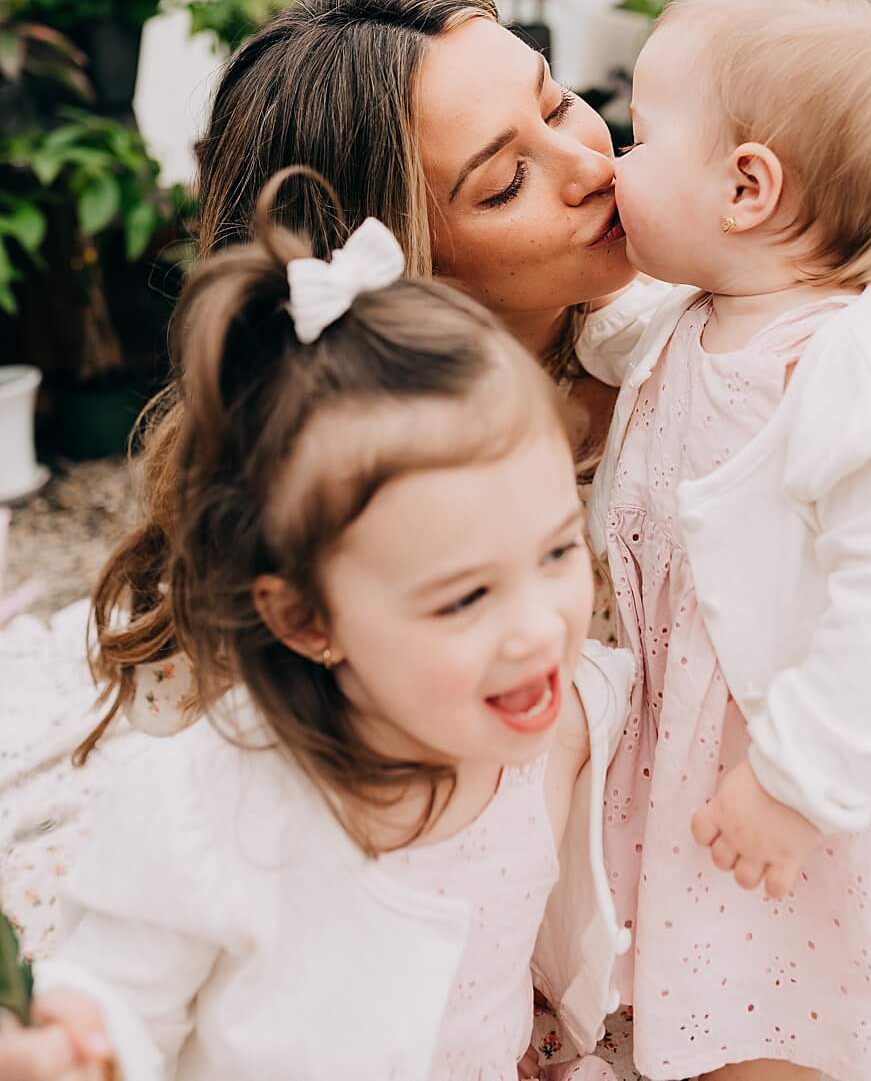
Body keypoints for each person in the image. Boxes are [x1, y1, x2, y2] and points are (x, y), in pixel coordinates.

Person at [0, 171, 632, 1080]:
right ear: (305, 619)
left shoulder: (570, 721)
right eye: (463, 598)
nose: (537, 630)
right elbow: (119, 994)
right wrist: (78, 1040)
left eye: (557, 553)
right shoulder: (212, 806)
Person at [581, 0, 871, 1080]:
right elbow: (599, 324)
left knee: (817, 1001)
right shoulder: (695, 310)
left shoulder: (856, 357)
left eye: (639, 135)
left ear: (747, 186)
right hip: (701, 748)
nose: (613, 157)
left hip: (812, 765)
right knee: (722, 992)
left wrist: (799, 775)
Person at [75, 0, 638, 752]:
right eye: (507, 182)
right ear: (396, 257)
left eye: (560, 102)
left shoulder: (714, 337)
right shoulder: (324, 485)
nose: (592, 166)